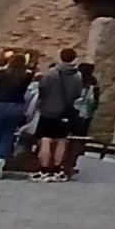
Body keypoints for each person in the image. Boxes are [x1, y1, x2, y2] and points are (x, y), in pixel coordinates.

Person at [32, 47, 84, 182]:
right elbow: (78, 93)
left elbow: (42, 89)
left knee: (45, 139)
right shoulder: (77, 76)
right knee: (62, 140)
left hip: (48, 110)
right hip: (65, 112)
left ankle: (44, 169)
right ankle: (57, 169)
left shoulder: (51, 73)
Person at [0, 50, 33, 177]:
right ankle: (3, 158)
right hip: (18, 106)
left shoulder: (2, 73)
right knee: (7, 134)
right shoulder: (26, 76)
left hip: (2, 104)